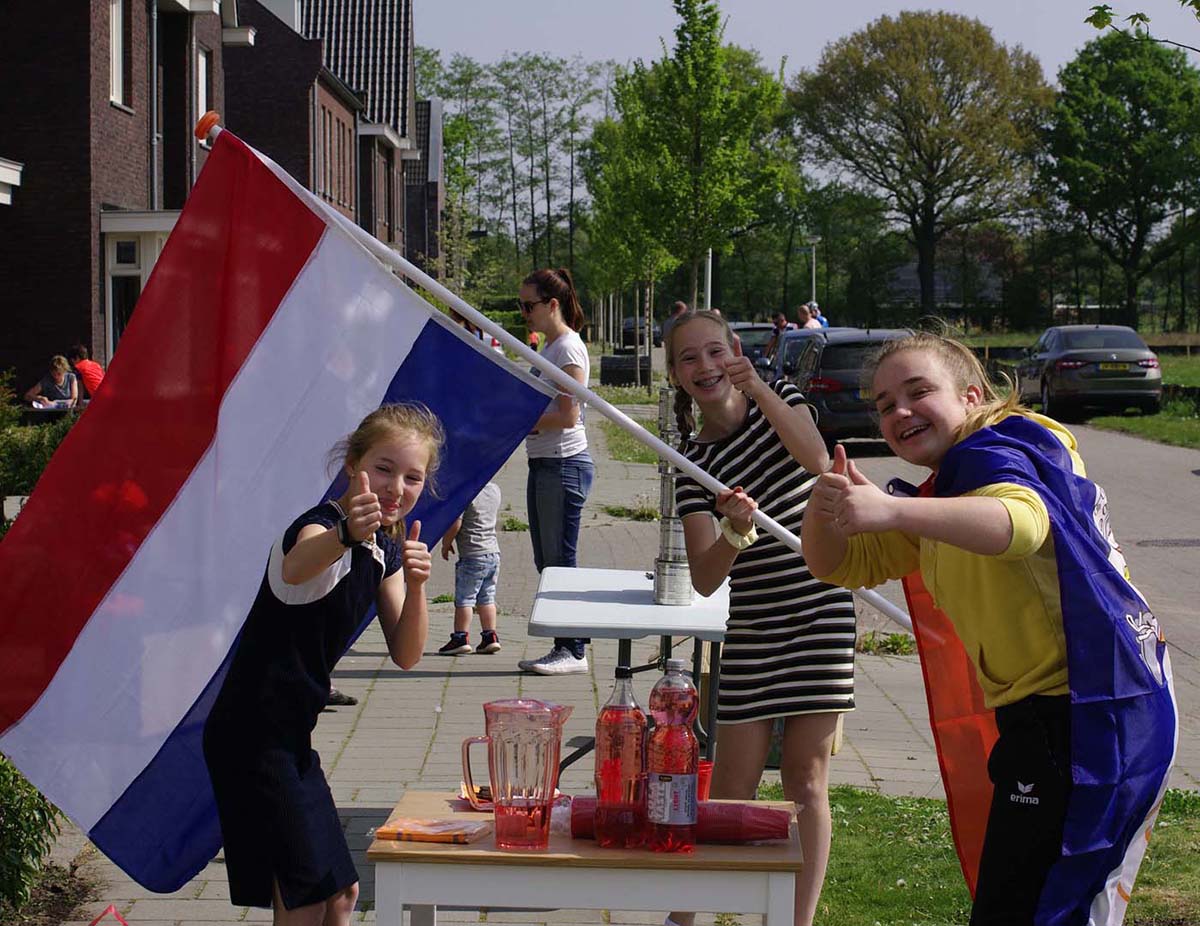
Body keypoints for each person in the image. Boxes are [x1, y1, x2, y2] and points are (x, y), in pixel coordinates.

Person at [801, 332, 1176, 925]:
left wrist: (894, 508)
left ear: (972, 395)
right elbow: (841, 565)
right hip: (1059, 716)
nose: (900, 412)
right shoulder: (954, 480)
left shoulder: (995, 453)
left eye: (918, 391)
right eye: (885, 404)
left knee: (1043, 908)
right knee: (1030, 905)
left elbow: (1021, 523)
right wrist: (824, 504)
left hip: (1086, 717)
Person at [202, 403, 442, 924]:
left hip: (290, 739)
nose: (396, 487)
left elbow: (406, 654)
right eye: (383, 468)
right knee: (307, 897)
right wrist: (345, 535)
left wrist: (419, 585)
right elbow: (295, 567)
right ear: (353, 464)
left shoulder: (384, 550)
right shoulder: (319, 527)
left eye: (412, 477)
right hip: (249, 735)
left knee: (342, 894)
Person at [665, 310, 856, 926]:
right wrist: (733, 531)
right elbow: (704, 576)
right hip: (754, 625)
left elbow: (818, 459)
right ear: (675, 374)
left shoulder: (784, 398)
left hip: (820, 611)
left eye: (715, 351)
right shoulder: (692, 463)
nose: (705, 366)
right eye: (689, 358)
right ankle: (688, 917)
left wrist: (761, 390)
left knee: (806, 779)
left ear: (736, 352)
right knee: (730, 787)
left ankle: (797, 922)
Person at [515, 267, 594, 675]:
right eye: (520, 305)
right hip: (546, 462)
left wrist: (520, 422)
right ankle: (567, 643)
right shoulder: (550, 348)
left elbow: (568, 416)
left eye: (528, 305)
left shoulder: (567, 350)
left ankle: (573, 650)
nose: (523, 313)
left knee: (560, 561)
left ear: (552, 305)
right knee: (547, 561)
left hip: (563, 464)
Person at [437, 481, 502, 655]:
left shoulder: (466, 493)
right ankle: (490, 636)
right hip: (493, 553)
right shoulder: (494, 490)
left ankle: (460, 637)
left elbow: (455, 524)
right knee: (487, 597)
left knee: (465, 599)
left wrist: (446, 543)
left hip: (472, 556)